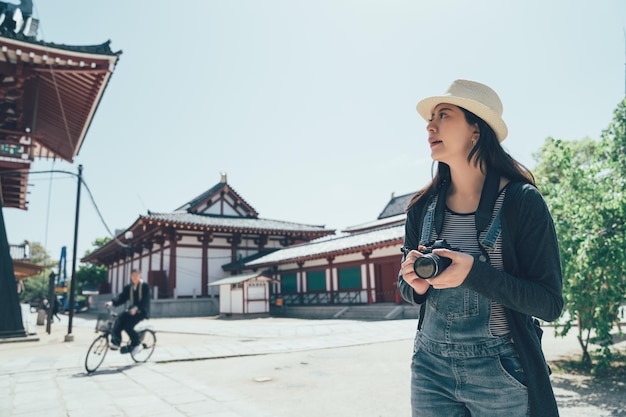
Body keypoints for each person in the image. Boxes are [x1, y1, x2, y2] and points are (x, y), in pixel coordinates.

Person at [398, 79, 563, 417]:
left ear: (477, 128)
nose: (430, 125)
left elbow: (548, 303)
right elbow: (405, 287)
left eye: (444, 115)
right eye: (430, 118)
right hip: (430, 367)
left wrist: (474, 273)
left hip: (500, 369)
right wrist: (412, 284)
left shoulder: (521, 201)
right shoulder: (421, 208)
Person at [105, 269, 150, 355]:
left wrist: (136, 308)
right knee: (119, 320)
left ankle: (137, 344)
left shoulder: (145, 286)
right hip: (131, 310)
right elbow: (122, 297)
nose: (134, 277)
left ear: (140, 276)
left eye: (136, 275)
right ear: (130, 277)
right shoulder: (129, 287)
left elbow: (145, 300)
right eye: (133, 275)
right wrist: (112, 302)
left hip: (142, 311)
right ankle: (116, 342)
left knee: (128, 326)